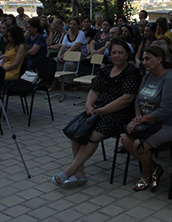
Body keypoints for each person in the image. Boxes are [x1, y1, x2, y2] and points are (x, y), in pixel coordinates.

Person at [52, 39, 142, 187]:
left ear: (127, 55)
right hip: (98, 109)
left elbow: (127, 99)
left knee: (94, 134)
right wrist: (88, 105)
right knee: (78, 131)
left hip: (120, 113)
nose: (116, 55)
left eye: (120, 53)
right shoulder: (106, 70)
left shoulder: (132, 72)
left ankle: (70, 171)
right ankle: (80, 173)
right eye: (114, 52)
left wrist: (103, 110)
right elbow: (94, 90)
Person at [121, 44, 172, 192]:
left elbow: (164, 111)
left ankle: (145, 175)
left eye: (147, 59)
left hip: (171, 124)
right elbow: (138, 99)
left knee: (140, 144)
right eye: (143, 59)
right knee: (126, 139)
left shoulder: (170, 79)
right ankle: (154, 168)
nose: (143, 62)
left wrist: (140, 121)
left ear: (159, 59)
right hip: (149, 121)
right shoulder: (148, 75)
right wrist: (137, 117)